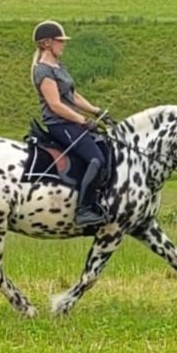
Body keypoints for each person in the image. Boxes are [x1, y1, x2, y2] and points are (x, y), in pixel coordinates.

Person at [30, 20, 114, 226]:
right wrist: (83, 121)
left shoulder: (58, 66)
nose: (64, 44)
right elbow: (55, 105)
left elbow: (73, 95)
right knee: (96, 159)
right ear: (47, 43)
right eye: (60, 41)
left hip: (71, 122)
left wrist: (97, 111)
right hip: (60, 125)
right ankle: (83, 210)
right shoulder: (43, 71)